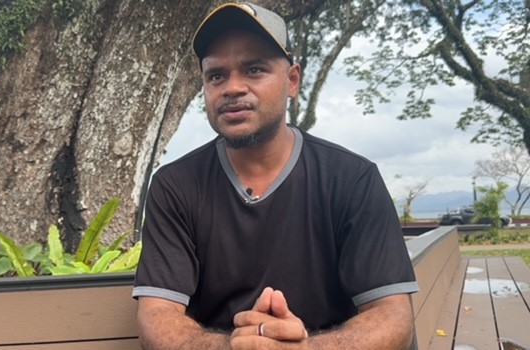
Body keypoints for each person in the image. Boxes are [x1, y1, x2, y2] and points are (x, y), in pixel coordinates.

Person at [132, 2, 419, 349]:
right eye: (216, 75)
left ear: (292, 80)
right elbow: (157, 317)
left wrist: (306, 348)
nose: (232, 88)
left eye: (254, 69)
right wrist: (233, 347)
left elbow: (393, 317)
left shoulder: (351, 179)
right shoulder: (176, 186)